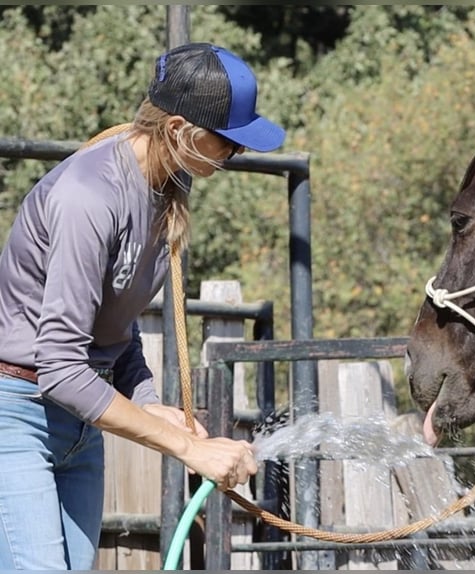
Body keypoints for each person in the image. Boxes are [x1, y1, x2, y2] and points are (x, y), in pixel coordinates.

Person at [0, 42, 286, 570]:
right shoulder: (87, 197)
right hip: (17, 419)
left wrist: (147, 398)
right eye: (227, 140)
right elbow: (60, 368)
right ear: (179, 129)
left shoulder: (168, 182)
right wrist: (189, 449)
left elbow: (116, 321)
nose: (237, 153)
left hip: (78, 430)